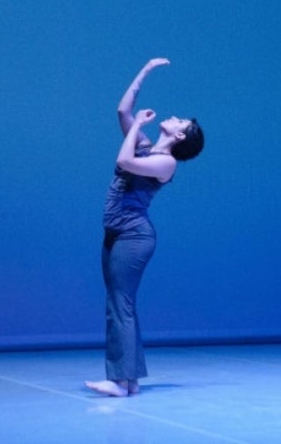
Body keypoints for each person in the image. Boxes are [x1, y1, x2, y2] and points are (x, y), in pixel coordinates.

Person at [85, 57, 204, 398]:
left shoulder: (165, 162)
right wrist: (146, 71)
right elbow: (122, 111)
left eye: (180, 120)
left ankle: (119, 381)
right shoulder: (147, 148)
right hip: (115, 233)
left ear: (181, 134)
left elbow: (124, 161)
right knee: (118, 302)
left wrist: (137, 126)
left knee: (120, 303)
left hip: (134, 236)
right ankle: (130, 379)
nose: (174, 116)